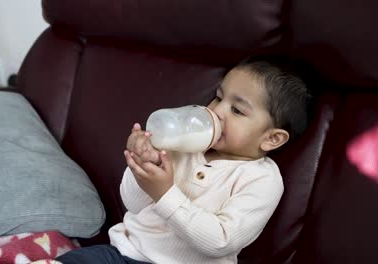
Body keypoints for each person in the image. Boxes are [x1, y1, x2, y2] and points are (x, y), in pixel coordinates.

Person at [56, 57, 310, 264]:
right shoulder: (185, 145)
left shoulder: (261, 180)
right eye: (219, 97)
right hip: (124, 253)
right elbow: (134, 205)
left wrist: (165, 193)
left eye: (237, 110)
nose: (217, 112)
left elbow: (220, 241)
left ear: (272, 138)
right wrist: (143, 165)